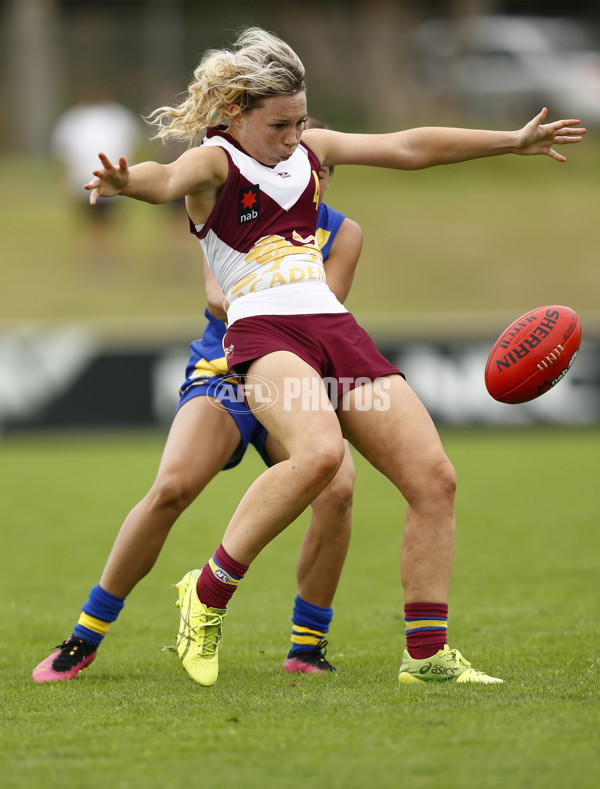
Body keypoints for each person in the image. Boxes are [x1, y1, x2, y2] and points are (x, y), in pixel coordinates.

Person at [79, 27, 585, 687]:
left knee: (435, 478)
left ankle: (426, 656)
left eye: (299, 121)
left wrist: (510, 141)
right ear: (236, 111)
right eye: (279, 124)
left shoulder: (311, 149)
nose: (294, 136)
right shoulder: (216, 161)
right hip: (263, 334)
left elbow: (408, 146)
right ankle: (206, 592)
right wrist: (126, 183)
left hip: (333, 327)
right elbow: (164, 177)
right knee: (319, 457)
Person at [32, 119, 363, 683]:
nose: (316, 179)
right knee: (172, 489)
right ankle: (84, 636)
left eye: (324, 171)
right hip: (227, 374)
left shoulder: (343, 234)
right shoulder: (228, 206)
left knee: (339, 490)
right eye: (309, 169)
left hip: (293, 385)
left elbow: (326, 310)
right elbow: (218, 295)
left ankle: (307, 646)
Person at [50, 84, 143, 281]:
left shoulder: (116, 117)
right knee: (93, 223)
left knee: (106, 223)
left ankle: (105, 259)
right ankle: (96, 260)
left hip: (110, 181)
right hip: (84, 182)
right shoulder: (77, 118)